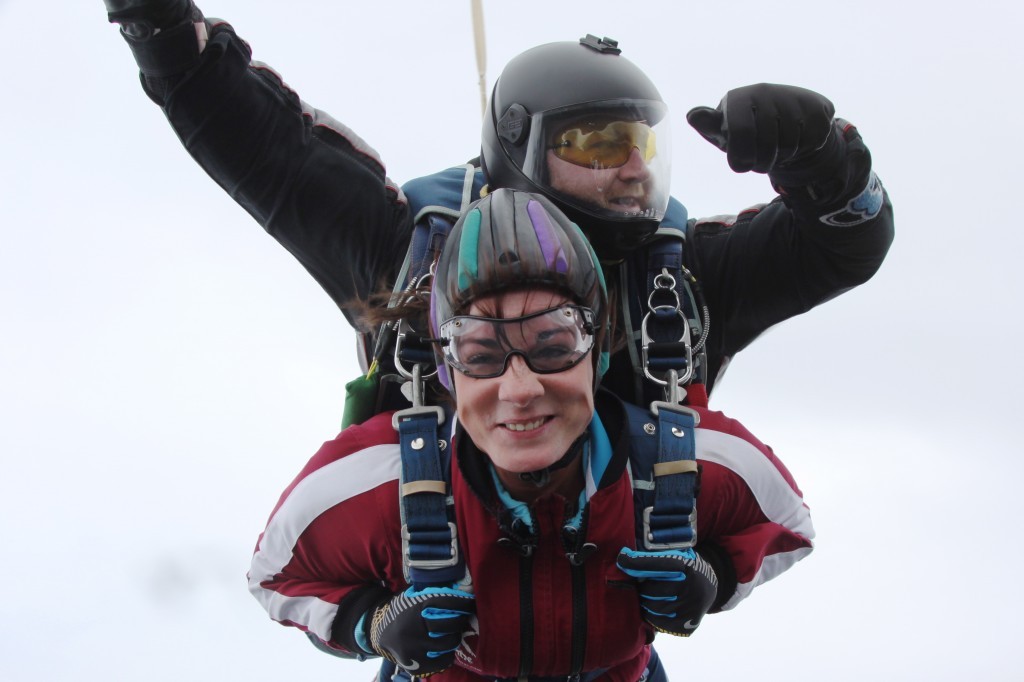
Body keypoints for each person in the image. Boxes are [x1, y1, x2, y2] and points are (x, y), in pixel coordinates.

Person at [102, 0, 894, 408]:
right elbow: (261, 147)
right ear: (519, 145)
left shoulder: (683, 280)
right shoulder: (410, 252)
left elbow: (843, 242)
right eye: (594, 144)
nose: (630, 168)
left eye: (642, 144)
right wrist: (159, 27)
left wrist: (825, 157)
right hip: (434, 638)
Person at [248, 189, 815, 681]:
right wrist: (370, 623)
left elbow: (788, 526)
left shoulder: (680, 465)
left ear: (596, 353)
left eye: (552, 346)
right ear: (447, 371)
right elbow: (275, 576)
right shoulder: (381, 480)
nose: (519, 389)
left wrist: (712, 576)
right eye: (481, 354)